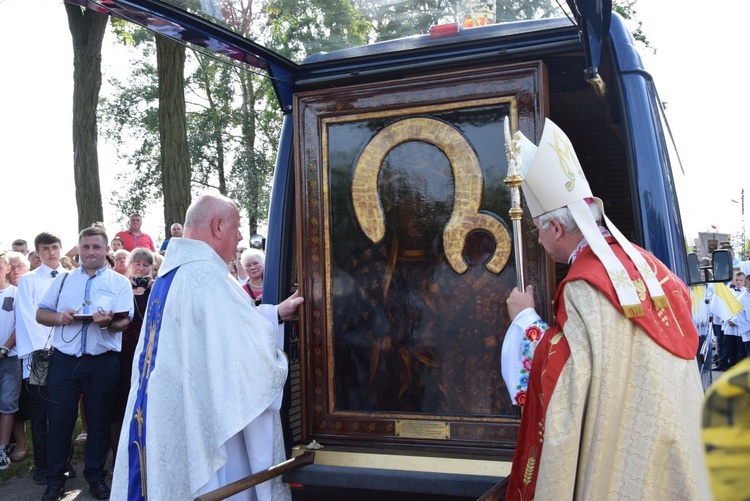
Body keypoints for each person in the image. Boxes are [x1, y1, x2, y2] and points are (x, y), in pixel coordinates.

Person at [501, 119, 710, 499]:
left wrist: (525, 322)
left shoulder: (585, 287)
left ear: (557, 230)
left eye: (538, 231)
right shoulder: (649, 266)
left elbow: (564, 385)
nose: (539, 240)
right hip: (672, 446)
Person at [112, 194, 303, 501]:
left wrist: (274, 313)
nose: (240, 235)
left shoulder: (170, 275)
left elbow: (221, 332)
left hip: (162, 413)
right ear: (217, 226)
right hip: (203, 417)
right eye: (237, 227)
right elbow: (248, 355)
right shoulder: (207, 277)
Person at [36, 226, 133, 500]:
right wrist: (59, 318)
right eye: (86, 247)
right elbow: (41, 313)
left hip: (102, 362)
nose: (91, 252)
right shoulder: (64, 281)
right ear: (79, 249)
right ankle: (55, 481)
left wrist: (108, 324)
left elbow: (125, 321)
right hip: (65, 363)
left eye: (96, 247)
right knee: (59, 422)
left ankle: (95, 477)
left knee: (100, 422)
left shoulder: (119, 282)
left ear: (106, 250)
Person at [14, 232, 68, 485]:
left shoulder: (72, 277)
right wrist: (46, 349)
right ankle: (43, 464)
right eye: (45, 249)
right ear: (37, 252)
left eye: (55, 247)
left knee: (62, 410)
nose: (51, 253)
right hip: (40, 355)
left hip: (68, 352)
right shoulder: (28, 281)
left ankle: (63, 462)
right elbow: (28, 317)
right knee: (40, 410)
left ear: (60, 248)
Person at [111, 247, 154, 467]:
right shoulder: (121, 287)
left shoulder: (156, 288)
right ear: (130, 265)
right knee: (119, 405)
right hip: (123, 353)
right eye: (137, 263)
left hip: (147, 352)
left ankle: (146, 457)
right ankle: (117, 460)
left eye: (146, 264)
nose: (142, 267)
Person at [5, 252, 29, 462]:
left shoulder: (21, 291)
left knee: (14, 402)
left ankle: (15, 445)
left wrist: (5, 347)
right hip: (11, 356)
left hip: (17, 355)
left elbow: (21, 324)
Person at [0, 252, 21, 470]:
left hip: (10, 357)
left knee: (7, 402)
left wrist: (5, 347)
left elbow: (19, 324)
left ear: (8, 268)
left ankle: (3, 447)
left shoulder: (16, 293)